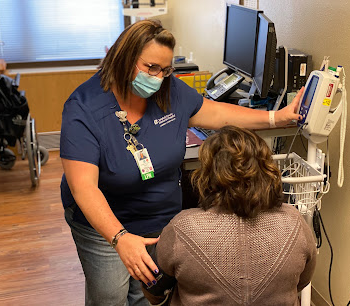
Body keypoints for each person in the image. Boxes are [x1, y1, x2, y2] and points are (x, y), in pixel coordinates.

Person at [60, 19, 304, 306]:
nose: (158, 77)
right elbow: (84, 188)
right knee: (110, 297)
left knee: (147, 295)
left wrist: (278, 117)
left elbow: (218, 114)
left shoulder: (169, 90)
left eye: (165, 70)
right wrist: (120, 238)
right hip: (106, 226)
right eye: (151, 68)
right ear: (124, 59)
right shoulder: (84, 107)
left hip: (161, 219)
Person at [142, 126, 317, 306]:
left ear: (206, 174)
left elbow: (155, 292)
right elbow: (301, 281)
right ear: (266, 169)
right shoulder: (294, 221)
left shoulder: (182, 227)